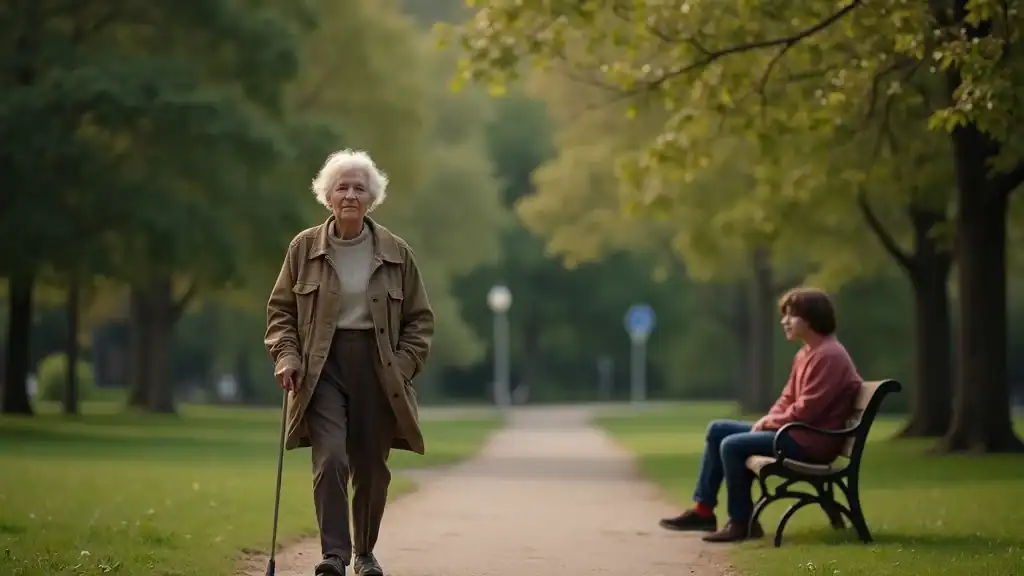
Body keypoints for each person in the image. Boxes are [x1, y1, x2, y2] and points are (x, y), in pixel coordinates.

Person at [264, 149, 434, 576]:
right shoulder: (303, 249)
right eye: (342, 187)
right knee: (332, 458)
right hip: (322, 368)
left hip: (379, 370)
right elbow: (280, 312)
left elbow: (420, 321)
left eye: (360, 188)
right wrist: (287, 357)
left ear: (372, 196)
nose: (351, 195)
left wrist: (402, 365)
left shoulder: (397, 253)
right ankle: (334, 556)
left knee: (372, 469)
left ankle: (365, 553)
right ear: (328, 195)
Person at [659, 287, 861, 543]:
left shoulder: (830, 356)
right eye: (784, 315)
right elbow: (787, 399)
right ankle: (703, 511)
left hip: (811, 442)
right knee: (718, 429)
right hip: (796, 433)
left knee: (732, 445)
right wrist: (767, 421)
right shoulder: (807, 353)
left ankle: (742, 522)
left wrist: (768, 423)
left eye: (791, 315)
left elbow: (807, 410)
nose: (784, 321)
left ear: (811, 318)